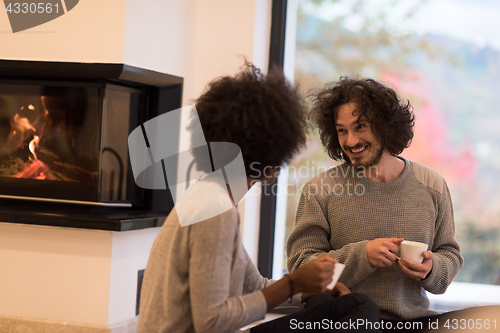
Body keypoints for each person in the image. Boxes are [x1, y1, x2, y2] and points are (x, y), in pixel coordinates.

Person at [136, 65, 379, 333]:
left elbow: (256, 288)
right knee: (361, 308)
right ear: (272, 153)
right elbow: (211, 321)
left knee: (340, 304)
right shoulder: (215, 210)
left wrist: (309, 288)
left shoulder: (209, 196)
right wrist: (294, 283)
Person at [286, 77, 464, 332]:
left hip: (414, 322)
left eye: (360, 127)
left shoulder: (432, 185)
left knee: (490, 320)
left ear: (386, 126)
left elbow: (449, 254)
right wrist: (361, 256)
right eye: (342, 130)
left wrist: (431, 267)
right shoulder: (320, 189)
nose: (350, 141)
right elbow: (301, 268)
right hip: (348, 323)